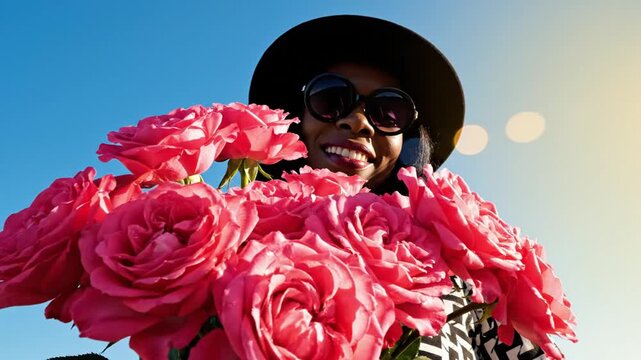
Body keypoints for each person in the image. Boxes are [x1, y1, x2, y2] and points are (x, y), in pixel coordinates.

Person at [249, 15, 546, 360]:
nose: (357, 121)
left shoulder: (463, 275)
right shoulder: (227, 236)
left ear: (407, 140)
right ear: (297, 115)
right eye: (331, 97)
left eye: (389, 111)